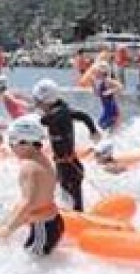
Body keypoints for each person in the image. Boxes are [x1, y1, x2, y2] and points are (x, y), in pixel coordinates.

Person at [0, 116, 64, 255]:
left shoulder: (28, 167)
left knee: (33, 266)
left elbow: (27, 202)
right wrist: (3, 224)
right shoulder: (41, 160)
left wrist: (8, 229)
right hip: (50, 222)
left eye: (12, 143)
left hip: (44, 226)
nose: (10, 147)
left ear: (24, 142)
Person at [33, 78, 100, 210]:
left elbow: (44, 121)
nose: (37, 106)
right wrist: (93, 131)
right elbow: (84, 116)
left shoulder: (59, 114)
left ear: (46, 101)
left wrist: (93, 131)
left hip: (70, 167)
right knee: (65, 197)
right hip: (64, 164)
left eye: (38, 102)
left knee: (74, 203)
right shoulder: (63, 109)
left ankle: (79, 219)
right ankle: (72, 216)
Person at [92, 63, 123, 131]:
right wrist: (93, 85)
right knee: (102, 129)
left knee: (100, 128)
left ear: (101, 72)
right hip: (107, 111)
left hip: (112, 111)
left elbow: (120, 86)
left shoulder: (107, 80)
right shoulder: (101, 82)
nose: (94, 74)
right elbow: (97, 94)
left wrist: (110, 91)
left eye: (96, 72)